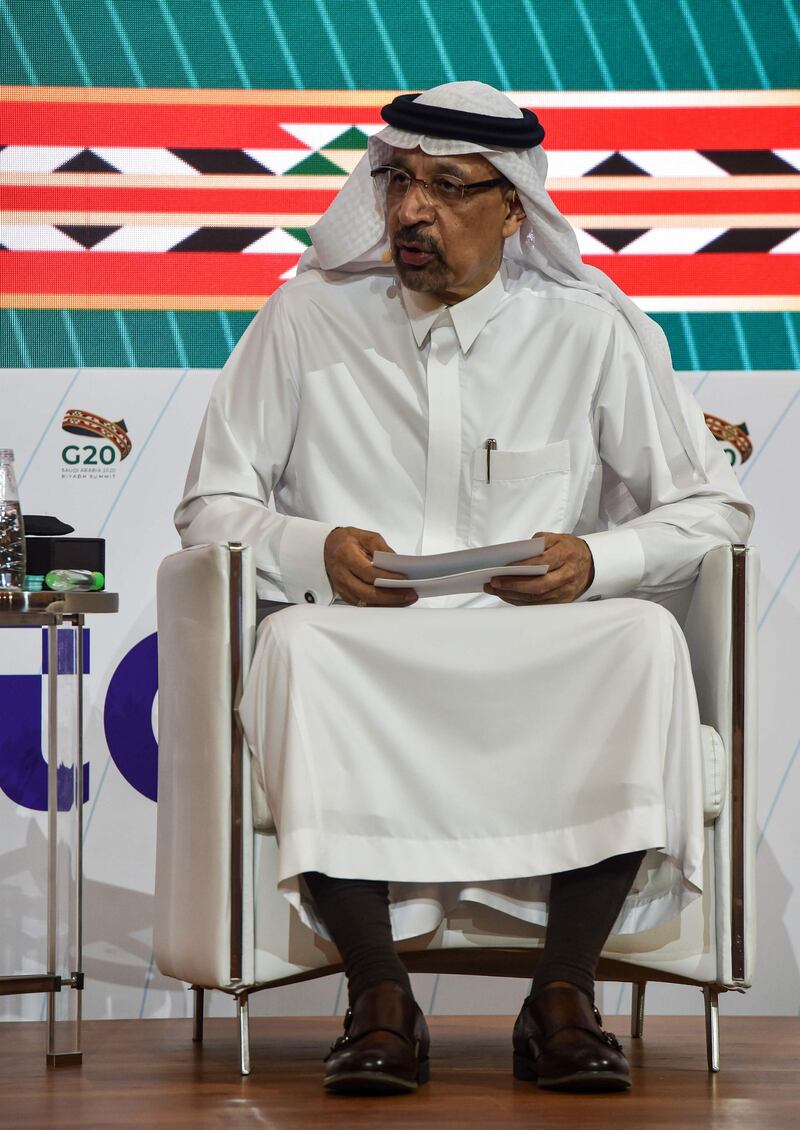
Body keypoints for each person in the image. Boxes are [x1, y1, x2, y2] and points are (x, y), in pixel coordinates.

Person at [176, 82, 753, 1096]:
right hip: (367, 645)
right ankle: (378, 998)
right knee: (297, 647)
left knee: (639, 642)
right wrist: (311, 549)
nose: (408, 211)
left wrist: (593, 559)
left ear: (513, 206)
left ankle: (564, 995)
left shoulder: (584, 328)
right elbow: (211, 503)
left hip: (529, 644)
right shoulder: (307, 318)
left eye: (445, 187)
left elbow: (714, 509)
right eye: (396, 180)